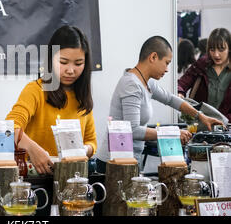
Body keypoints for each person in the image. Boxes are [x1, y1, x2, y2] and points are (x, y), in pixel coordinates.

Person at [95, 36, 223, 173]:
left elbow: (171, 99)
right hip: (114, 163)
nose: (167, 69)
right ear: (153, 57)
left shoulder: (146, 82)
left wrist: (200, 116)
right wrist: (172, 134)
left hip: (129, 161)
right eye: (166, 63)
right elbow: (133, 129)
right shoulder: (131, 84)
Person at [6, 25, 97, 174]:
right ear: (50, 59)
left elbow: (91, 142)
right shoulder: (35, 90)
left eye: (78, 63)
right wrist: (32, 148)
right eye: (63, 62)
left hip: (73, 178)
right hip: (37, 179)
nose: (70, 70)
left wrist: (82, 150)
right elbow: (8, 130)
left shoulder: (82, 96)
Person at [178, 28, 231, 122]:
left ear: (229, 48)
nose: (216, 55)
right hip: (200, 124)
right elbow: (182, 83)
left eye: (221, 49)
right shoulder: (202, 64)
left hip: (226, 127)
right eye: (212, 49)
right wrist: (180, 93)